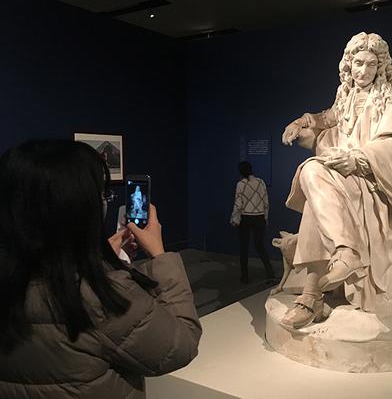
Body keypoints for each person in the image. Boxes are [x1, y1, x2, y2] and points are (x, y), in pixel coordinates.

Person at [0, 140, 202, 398]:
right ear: (78, 208)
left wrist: (100, 260)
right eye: (101, 195)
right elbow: (180, 345)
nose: (103, 202)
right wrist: (160, 256)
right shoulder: (99, 298)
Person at [280, 32, 392, 328]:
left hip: (378, 182)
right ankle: (345, 252)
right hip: (345, 175)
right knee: (315, 177)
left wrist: (358, 159)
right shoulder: (347, 96)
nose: (363, 71)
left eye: (370, 64)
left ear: (380, 65)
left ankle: (312, 296)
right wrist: (301, 122)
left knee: (313, 176)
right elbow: (327, 117)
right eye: (358, 63)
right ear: (348, 64)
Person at [230, 161, 274, 283]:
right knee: (260, 246)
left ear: (240, 171)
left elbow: (238, 204)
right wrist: (265, 217)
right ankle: (270, 273)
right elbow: (266, 202)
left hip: (246, 218)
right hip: (259, 217)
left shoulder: (240, 184)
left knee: (244, 247)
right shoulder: (261, 182)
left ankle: (245, 276)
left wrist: (234, 219)